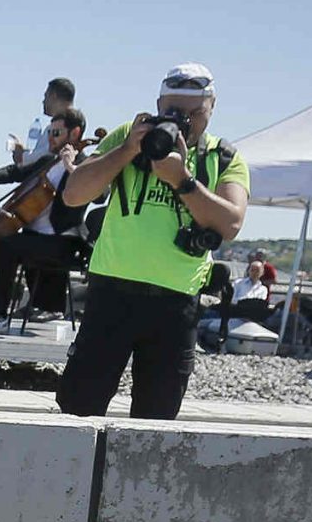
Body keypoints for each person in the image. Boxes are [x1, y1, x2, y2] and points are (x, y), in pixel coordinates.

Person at [56, 62, 249, 421]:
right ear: (159, 105)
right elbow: (74, 194)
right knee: (77, 411)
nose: (185, 121)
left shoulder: (223, 157)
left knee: (155, 422)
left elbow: (231, 222)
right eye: (175, 111)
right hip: (112, 292)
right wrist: (128, 150)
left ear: (213, 107)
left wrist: (183, 180)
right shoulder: (130, 135)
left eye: (196, 113)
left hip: (175, 304)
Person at [0, 105, 88, 334]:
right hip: (35, 237)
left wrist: (71, 166)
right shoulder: (49, 160)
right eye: (49, 132)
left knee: (7, 246)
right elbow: (16, 171)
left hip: (62, 243)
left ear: (74, 133)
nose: (50, 137)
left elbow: (102, 194)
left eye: (56, 133)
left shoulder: (87, 164)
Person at [12, 77, 76, 165]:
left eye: (45, 96)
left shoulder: (66, 127)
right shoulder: (56, 126)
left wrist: (22, 156)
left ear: (53, 96)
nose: (43, 101)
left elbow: (48, 155)